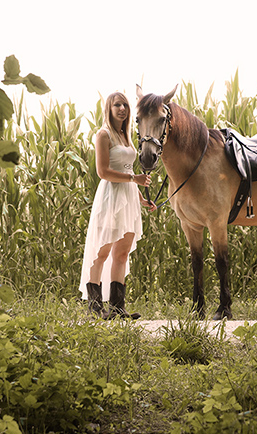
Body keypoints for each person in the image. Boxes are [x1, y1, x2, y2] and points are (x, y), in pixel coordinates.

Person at [79, 91, 156, 319]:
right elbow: (102, 172)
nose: (122, 108)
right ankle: (94, 307)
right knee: (102, 251)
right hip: (110, 197)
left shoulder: (127, 136)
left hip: (128, 198)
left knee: (121, 254)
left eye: (125, 104)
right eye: (117, 105)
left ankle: (117, 307)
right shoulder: (103, 135)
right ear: (109, 109)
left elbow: (127, 169)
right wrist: (135, 180)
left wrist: (141, 198)